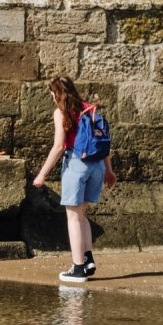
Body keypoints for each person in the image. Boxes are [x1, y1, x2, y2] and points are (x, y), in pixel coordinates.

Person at [32, 76, 116, 283]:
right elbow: (102, 143)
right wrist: (109, 171)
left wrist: (42, 174)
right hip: (96, 165)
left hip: (76, 164)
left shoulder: (61, 112)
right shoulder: (90, 109)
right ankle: (87, 260)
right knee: (81, 214)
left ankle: (78, 268)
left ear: (56, 93)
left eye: (52, 93)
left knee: (73, 217)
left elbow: (59, 146)